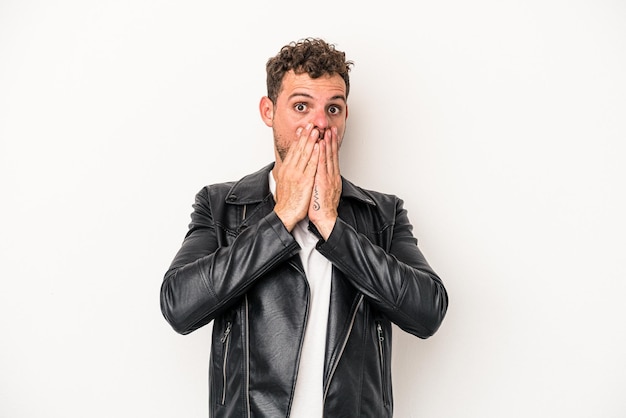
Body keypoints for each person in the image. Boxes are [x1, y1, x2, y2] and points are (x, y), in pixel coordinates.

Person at [160, 38, 448, 418]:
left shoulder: (382, 214)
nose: (320, 123)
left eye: (334, 108)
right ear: (268, 110)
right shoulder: (220, 206)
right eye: (301, 106)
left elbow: (427, 311)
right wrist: (280, 221)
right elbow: (179, 305)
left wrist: (331, 225)